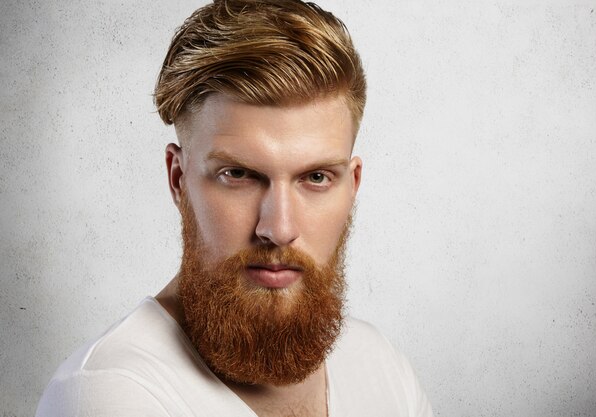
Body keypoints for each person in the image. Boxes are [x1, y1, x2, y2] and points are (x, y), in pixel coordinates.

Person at [36, 1, 433, 416]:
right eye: (239, 174)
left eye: (316, 177)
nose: (278, 228)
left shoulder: (382, 365)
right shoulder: (109, 394)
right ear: (178, 179)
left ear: (352, 186)